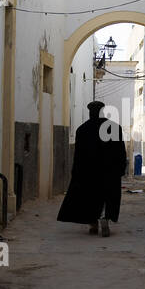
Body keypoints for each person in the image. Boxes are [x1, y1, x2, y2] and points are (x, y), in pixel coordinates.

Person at [57, 100, 127, 237]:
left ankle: (93, 223)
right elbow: (120, 151)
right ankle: (105, 218)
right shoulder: (113, 127)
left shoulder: (83, 129)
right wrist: (121, 167)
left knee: (90, 197)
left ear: (90, 112)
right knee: (108, 196)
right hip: (109, 171)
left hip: (89, 172)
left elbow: (78, 154)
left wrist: (75, 171)